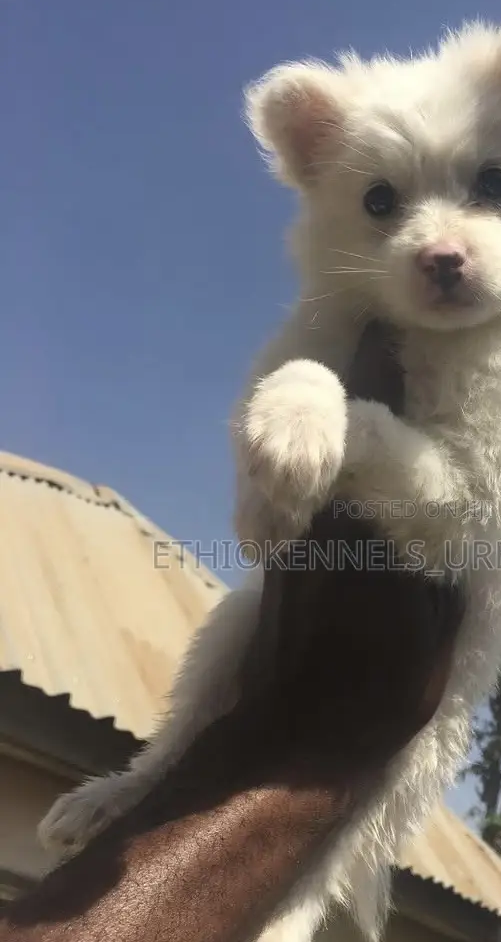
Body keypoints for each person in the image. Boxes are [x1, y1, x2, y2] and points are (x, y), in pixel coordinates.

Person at [0, 321, 466, 942]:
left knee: (382, 776)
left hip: (433, 606)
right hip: (340, 605)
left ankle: (302, 900)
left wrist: (359, 435)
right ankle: (147, 779)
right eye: (385, 212)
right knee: (239, 622)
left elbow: (461, 506)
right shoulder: (336, 318)